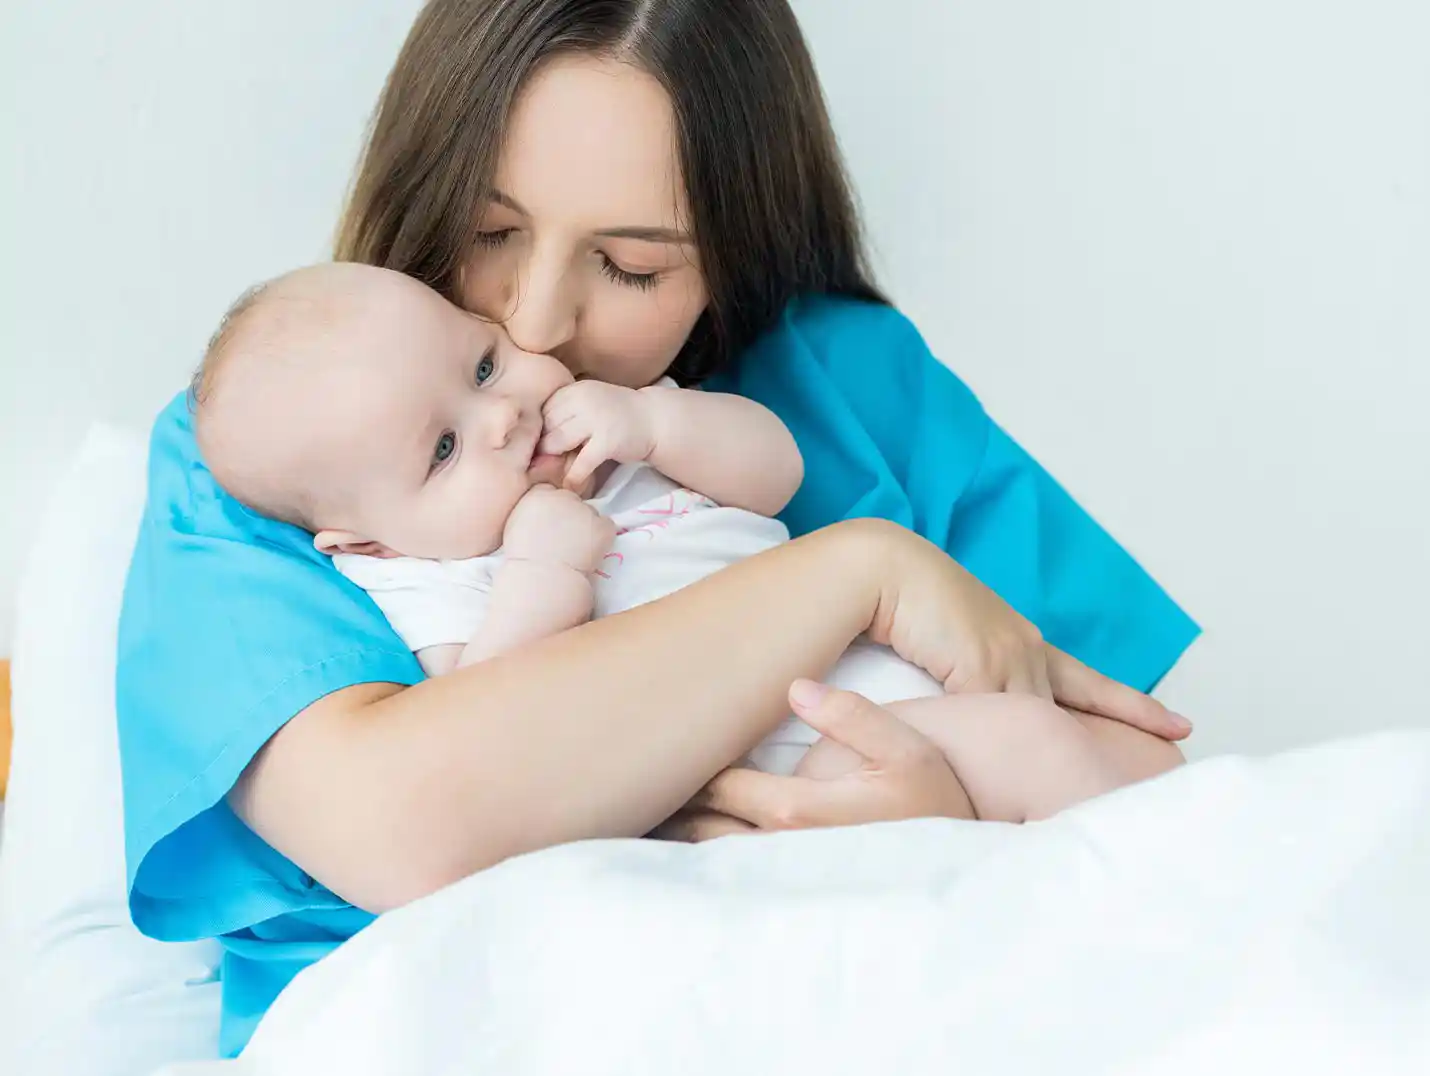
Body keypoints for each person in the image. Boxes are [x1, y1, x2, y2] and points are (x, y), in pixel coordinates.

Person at [117, 0, 1198, 1058]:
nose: (535, 324)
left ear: (734, 249)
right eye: (488, 231)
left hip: (902, 969)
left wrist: (938, 823)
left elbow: (1135, 800)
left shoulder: (846, 379)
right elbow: (413, 820)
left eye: (630, 265)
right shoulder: (271, 461)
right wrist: (860, 569)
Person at [194, 261, 1172, 818]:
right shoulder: (433, 577)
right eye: (443, 446)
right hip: (788, 763)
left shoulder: (604, 430)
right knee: (1038, 751)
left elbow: (775, 471)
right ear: (363, 542)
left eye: (483, 361)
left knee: (1142, 761)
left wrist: (657, 425)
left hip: (880, 680)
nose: (499, 417)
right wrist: (546, 568)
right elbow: (490, 724)